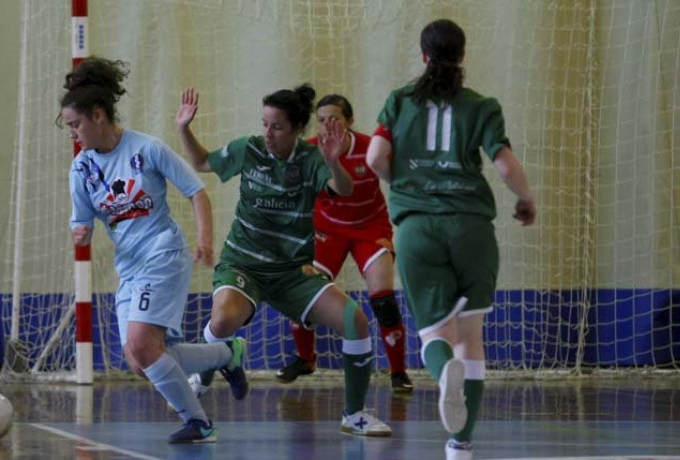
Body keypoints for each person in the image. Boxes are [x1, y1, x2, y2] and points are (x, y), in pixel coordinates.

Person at [176, 83, 393, 437]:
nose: (268, 133)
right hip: (244, 264)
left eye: (276, 127)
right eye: (264, 124)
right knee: (223, 319)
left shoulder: (311, 161)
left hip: (292, 272)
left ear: (295, 130)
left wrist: (334, 161)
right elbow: (200, 162)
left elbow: (345, 189)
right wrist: (184, 128)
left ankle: (353, 415)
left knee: (355, 321)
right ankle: (204, 374)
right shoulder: (250, 150)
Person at [367, 19, 536, 460]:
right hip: (471, 229)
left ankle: (445, 376)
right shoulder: (481, 106)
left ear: (423, 57)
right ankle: (460, 445)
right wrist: (526, 199)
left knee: (435, 336)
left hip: (418, 229)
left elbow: (375, 157)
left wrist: (400, 182)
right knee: (471, 337)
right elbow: (503, 164)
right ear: (463, 57)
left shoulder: (399, 102)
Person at [63, 57, 248, 444]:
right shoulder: (81, 169)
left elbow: (197, 191)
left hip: (163, 254)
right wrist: (80, 233)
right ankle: (225, 354)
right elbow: (80, 221)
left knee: (143, 346)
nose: (74, 134)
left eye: (76, 124)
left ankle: (199, 423)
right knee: (139, 357)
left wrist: (204, 241)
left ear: (98, 115)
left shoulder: (146, 149)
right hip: (129, 265)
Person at [275, 94, 413, 393]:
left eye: (335, 119)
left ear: (349, 121)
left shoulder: (369, 148)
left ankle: (398, 373)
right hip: (328, 231)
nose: (327, 126)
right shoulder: (308, 151)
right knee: (302, 293)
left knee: (384, 301)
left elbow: (400, 180)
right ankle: (306, 358)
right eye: (322, 120)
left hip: (369, 227)